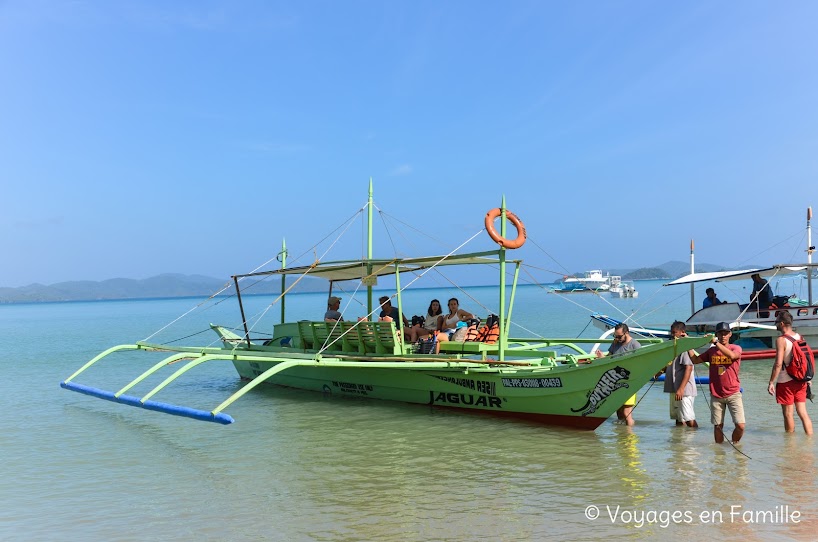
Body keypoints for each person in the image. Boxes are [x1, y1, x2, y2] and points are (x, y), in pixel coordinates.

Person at [688, 322, 745, 444]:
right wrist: (688, 344)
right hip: (716, 394)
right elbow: (695, 360)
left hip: (733, 393)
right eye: (720, 333)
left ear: (730, 334)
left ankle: (735, 444)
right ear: (717, 334)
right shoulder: (711, 351)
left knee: (740, 426)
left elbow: (732, 356)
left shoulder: (736, 348)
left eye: (725, 333)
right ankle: (720, 454)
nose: (723, 336)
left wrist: (715, 343)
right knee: (718, 426)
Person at [767, 311, 814, 435]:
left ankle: (790, 445)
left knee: (788, 413)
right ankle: (810, 440)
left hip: (785, 382)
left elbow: (778, 364)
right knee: (803, 413)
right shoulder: (800, 337)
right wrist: (807, 378)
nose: (776, 325)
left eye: (777, 322)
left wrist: (771, 382)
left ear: (782, 323)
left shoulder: (781, 340)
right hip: (801, 380)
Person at [595, 323, 641, 425]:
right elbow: (610, 358)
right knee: (619, 413)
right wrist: (602, 357)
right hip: (615, 383)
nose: (617, 338)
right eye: (616, 336)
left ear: (627, 333)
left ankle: (630, 438)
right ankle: (621, 436)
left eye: (620, 336)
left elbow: (639, 364)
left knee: (626, 412)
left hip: (629, 383)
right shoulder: (615, 343)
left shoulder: (635, 345)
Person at [664, 321, 698, 428]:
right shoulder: (674, 346)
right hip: (674, 387)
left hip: (684, 389)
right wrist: (660, 371)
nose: (673, 335)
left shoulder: (684, 347)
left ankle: (694, 439)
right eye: (672, 333)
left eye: (675, 333)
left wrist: (681, 389)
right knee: (678, 419)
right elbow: (671, 364)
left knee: (688, 418)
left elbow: (689, 367)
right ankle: (679, 443)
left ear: (682, 332)